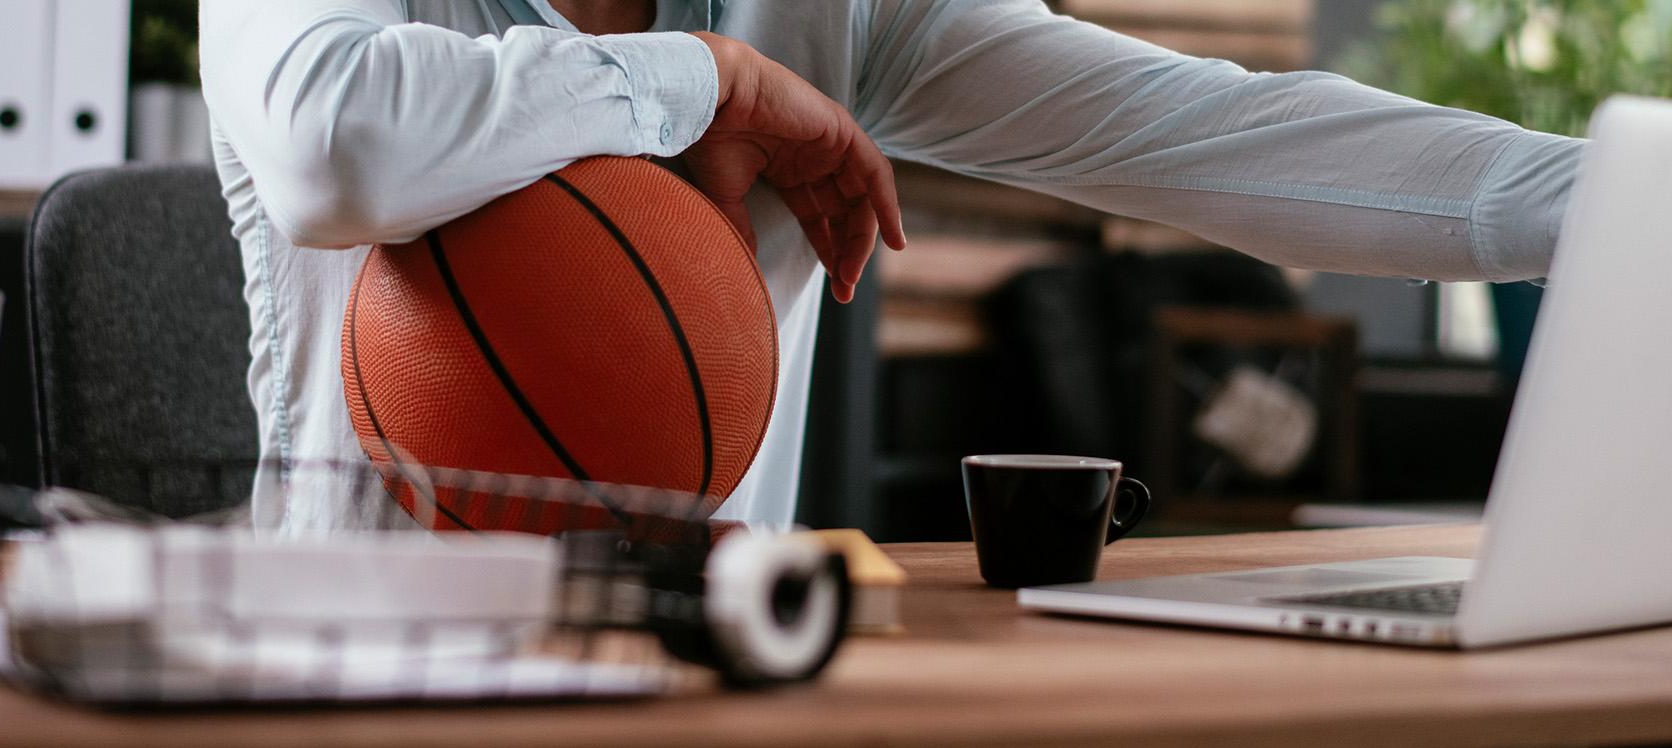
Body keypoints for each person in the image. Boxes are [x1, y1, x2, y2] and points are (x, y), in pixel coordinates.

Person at [199, 0, 1581, 533]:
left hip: (715, 682)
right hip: (356, 678)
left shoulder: (844, 5)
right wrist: (699, 80)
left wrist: (1614, 202)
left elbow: (1221, 134)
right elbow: (337, 146)